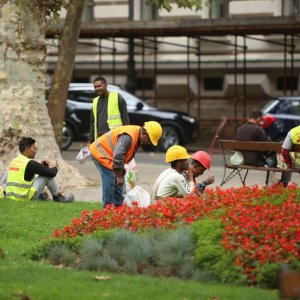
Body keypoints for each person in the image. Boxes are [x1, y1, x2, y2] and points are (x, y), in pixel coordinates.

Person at [89, 121, 162, 208]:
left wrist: (121, 171)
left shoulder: (136, 136)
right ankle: (108, 210)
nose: (149, 143)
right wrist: (119, 176)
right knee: (111, 179)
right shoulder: (129, 136)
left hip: (111, 156)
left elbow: (123, 155)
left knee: (119, 181)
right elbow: (118, 155)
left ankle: (119, 208)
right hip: (100, 153)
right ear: (144, 133)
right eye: (149, 140)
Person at [5, 137, 74, 202]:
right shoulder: (30, 163)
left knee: (33, 176)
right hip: (23, 198)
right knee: (46, 176)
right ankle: (58, 197)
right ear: (27, 149)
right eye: (34, 148)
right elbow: (52, 173)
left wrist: (40, 166)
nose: (35, 151)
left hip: (11, 197)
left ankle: (42, 196)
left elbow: (28, 173)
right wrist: (54, 166)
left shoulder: (14, 160)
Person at [235, 110, 291, 186]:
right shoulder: (257, 129)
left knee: (272, 159)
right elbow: (270, 146)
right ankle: (283, 183)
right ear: (258, 118)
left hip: (243, 159)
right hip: (257, 161)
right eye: (261, 119)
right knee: (285, 161)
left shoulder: (240, 129)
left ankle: (269, 182)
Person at [88, 76, 129, 145]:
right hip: (100, 139)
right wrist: (90, 140)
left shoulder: (117, 97)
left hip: (115, 137)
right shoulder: (95, 101)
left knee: (115, 156)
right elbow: (93, 123)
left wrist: (126, 136)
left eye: (99, 86)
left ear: (106, 85)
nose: (97, 88)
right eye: (95, 87)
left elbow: (125, 118)